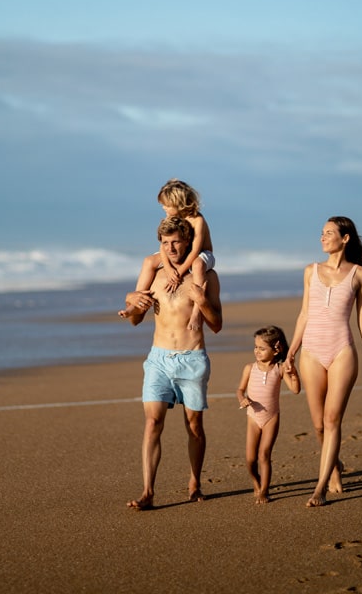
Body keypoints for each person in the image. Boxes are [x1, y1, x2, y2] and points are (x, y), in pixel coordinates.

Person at [122, 215, 222, 510]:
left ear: (188, 241)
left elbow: (216, 325)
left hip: (192, 358)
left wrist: (202, 302)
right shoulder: (154, 274)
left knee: (194, 426)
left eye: (176, 241)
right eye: (165, 243)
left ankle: (195, 482)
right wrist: (133, 306)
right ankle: (148, 492)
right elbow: (136, 320)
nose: (171, 247)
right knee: (152, 423)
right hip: (159, 359)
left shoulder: (206, 277)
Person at [285, 216, 362, 507]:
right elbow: (303, 314)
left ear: (345, 238)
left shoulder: (359, 274)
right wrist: (291, 351)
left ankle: (320, 488)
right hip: (311, 351)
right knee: (318, 425)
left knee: (332, 419)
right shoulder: (310, 271)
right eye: (322, 233)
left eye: (329, 233)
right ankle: (334, 465)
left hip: (342, 352)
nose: (323, 237)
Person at [118, 179, 214, 331]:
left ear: (179, 204)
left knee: (197, 264)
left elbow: (195, 251)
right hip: (178, 253)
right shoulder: (170, 219)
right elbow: (163, 248)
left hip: (202, 254)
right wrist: (169, 270)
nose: (164, 208)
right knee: (149, 261)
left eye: (167, 205)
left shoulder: (197, 220)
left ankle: (197, 311)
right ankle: (136, 304)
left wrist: (180, 272)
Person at [236, 325, 301, 504]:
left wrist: (293, 370)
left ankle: (264, 490)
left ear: (275, 350)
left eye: (262, 348)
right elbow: (240, 389)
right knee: (250, 459)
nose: (257, 351)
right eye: (256, 347)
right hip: (252, 417)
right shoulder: (249, 368)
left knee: (264, 455)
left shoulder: (279, 369)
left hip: (271, 417)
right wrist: (242, 398)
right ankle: (256, 483)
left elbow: (295, 389)